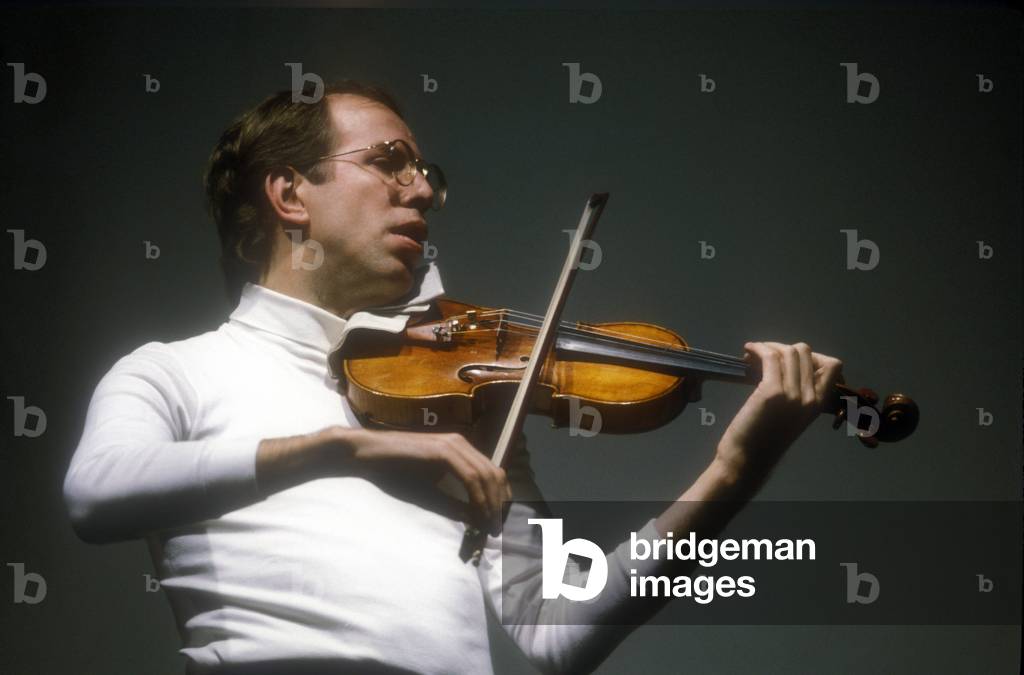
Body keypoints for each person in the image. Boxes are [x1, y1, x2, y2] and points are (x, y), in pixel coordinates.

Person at [63, 80, 844, 675]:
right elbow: (95, 495)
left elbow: (556, 629)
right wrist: (342, 448)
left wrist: (732, 474)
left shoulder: (460, 407)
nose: (423, 190)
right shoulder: (176, 371)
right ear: (289, 193)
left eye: (424, 171)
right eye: (388, 163)